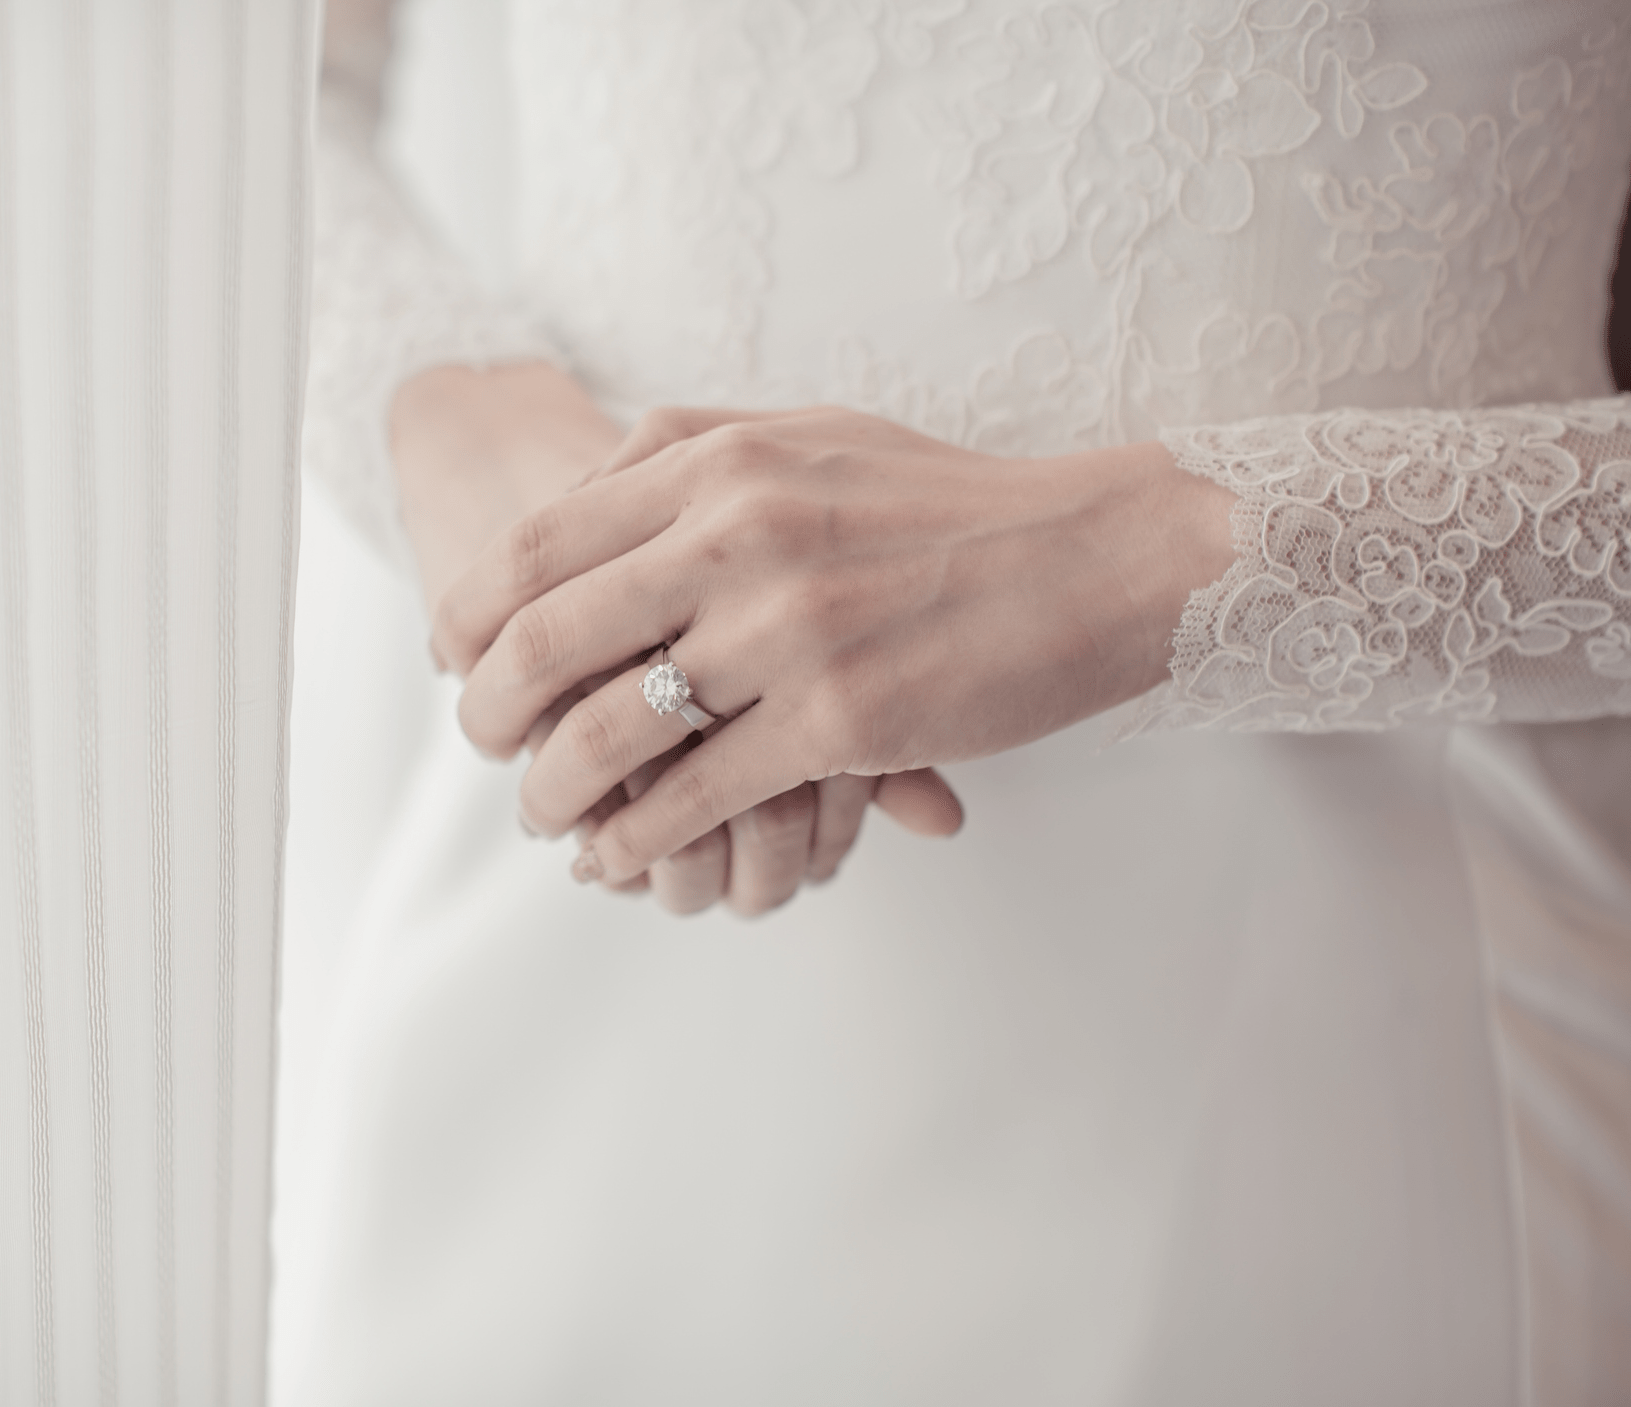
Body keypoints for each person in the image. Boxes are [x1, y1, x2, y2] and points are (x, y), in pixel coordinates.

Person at [275, 1, 1631, 1402]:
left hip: (1339, 1072)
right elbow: (246, 78)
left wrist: (1139, 562)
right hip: (567, 974)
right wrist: (467, 445)